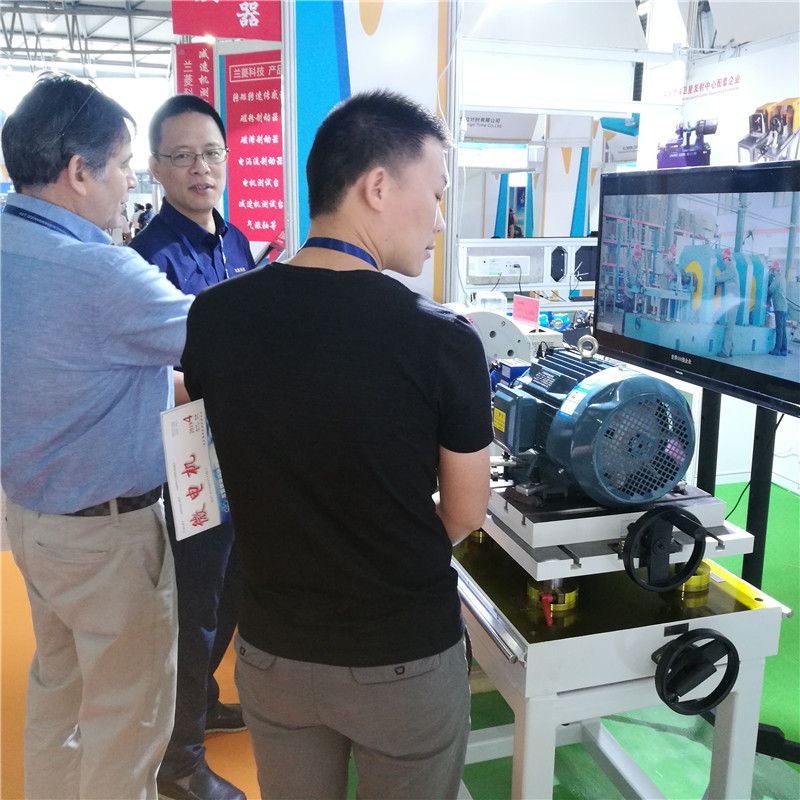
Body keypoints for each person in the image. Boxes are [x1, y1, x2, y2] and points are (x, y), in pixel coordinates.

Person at [181, 89, 493, 800]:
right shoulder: (442, 340)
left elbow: (218, 457)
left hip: (273, 651)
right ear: (377, 187)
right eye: (436, 193)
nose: (439, 219)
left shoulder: (216, 316)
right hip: (402, 655)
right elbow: (465, 513)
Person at [0, 72, 193, 799]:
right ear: (79, 171)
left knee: (59, 694)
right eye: (123, 166)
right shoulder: (103, 273)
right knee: (128, 723)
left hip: (34, 519)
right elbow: (222, 336)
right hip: (107, 538)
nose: (130, 183)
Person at [129, 93, 255, 800]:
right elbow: (156, 373)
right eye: (181, 156)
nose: (200, 168)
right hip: (187, 460)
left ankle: (201, 701)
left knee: (232, 587)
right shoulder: (148, 258)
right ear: (155, 167)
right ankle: (178, 760)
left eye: (210, 152)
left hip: (236, 448)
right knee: (195, 606)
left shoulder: (235, 241)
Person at [715, 248, 740, 358]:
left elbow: (720, 278)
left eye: (723, 260)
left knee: (730, 326)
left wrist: (709, 277)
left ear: (728, 259)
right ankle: (729, 350)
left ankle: (725, 352)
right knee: (730, 325)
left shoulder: (731, 269)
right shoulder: (731, 268)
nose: (723, 262)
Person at [767, 259, 789, 356]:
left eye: (772, 271)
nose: (772, 273)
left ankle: (777, 349)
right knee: (782, 328)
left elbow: (770, 290)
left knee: (779, 329)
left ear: (776, 270)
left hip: (779, 307)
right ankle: (784, 349)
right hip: (783, 306)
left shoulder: (777, 279)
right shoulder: (781, 278)